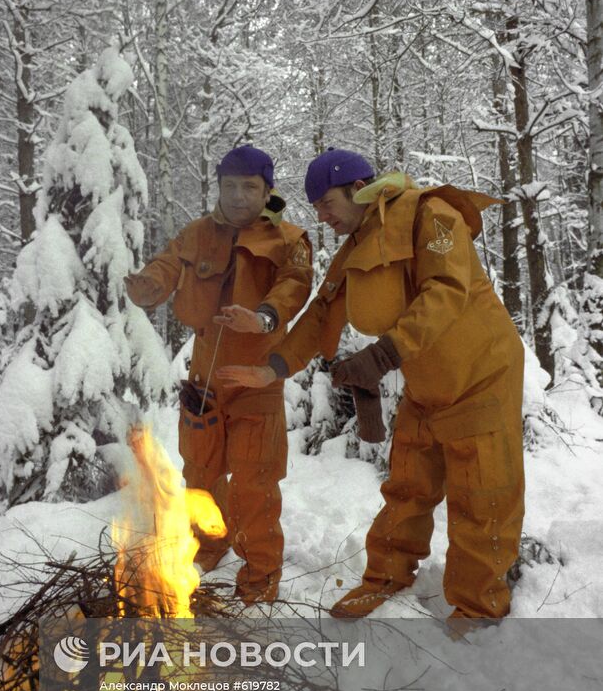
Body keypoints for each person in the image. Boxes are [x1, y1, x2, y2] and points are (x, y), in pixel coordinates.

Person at [218, 149, 525, 620]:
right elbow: (322, 309)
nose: (321, 216)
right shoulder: (357, 243)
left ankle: (478, 606)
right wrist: (273, 367)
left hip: (481, 373)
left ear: (357, 189)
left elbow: (445, 291)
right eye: (315, 208)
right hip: (425, 379)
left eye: (325, 204)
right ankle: (385, 576)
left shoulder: (432, 214)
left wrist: (381, 355)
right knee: (407, 485)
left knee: (482, 494)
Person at [124, 145, 312, 604]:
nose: (238, 197)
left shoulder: (290, 239)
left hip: (256, 381)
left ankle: (261, 571)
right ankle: (210, 543)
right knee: (201, 472)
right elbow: (168, 265)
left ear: (268, 190)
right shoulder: (198, 234)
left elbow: (295, 287)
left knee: (255, 481)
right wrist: (147, 283)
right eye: (229, 186)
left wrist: (264, 318)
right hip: (204, 377)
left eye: (249, 187)